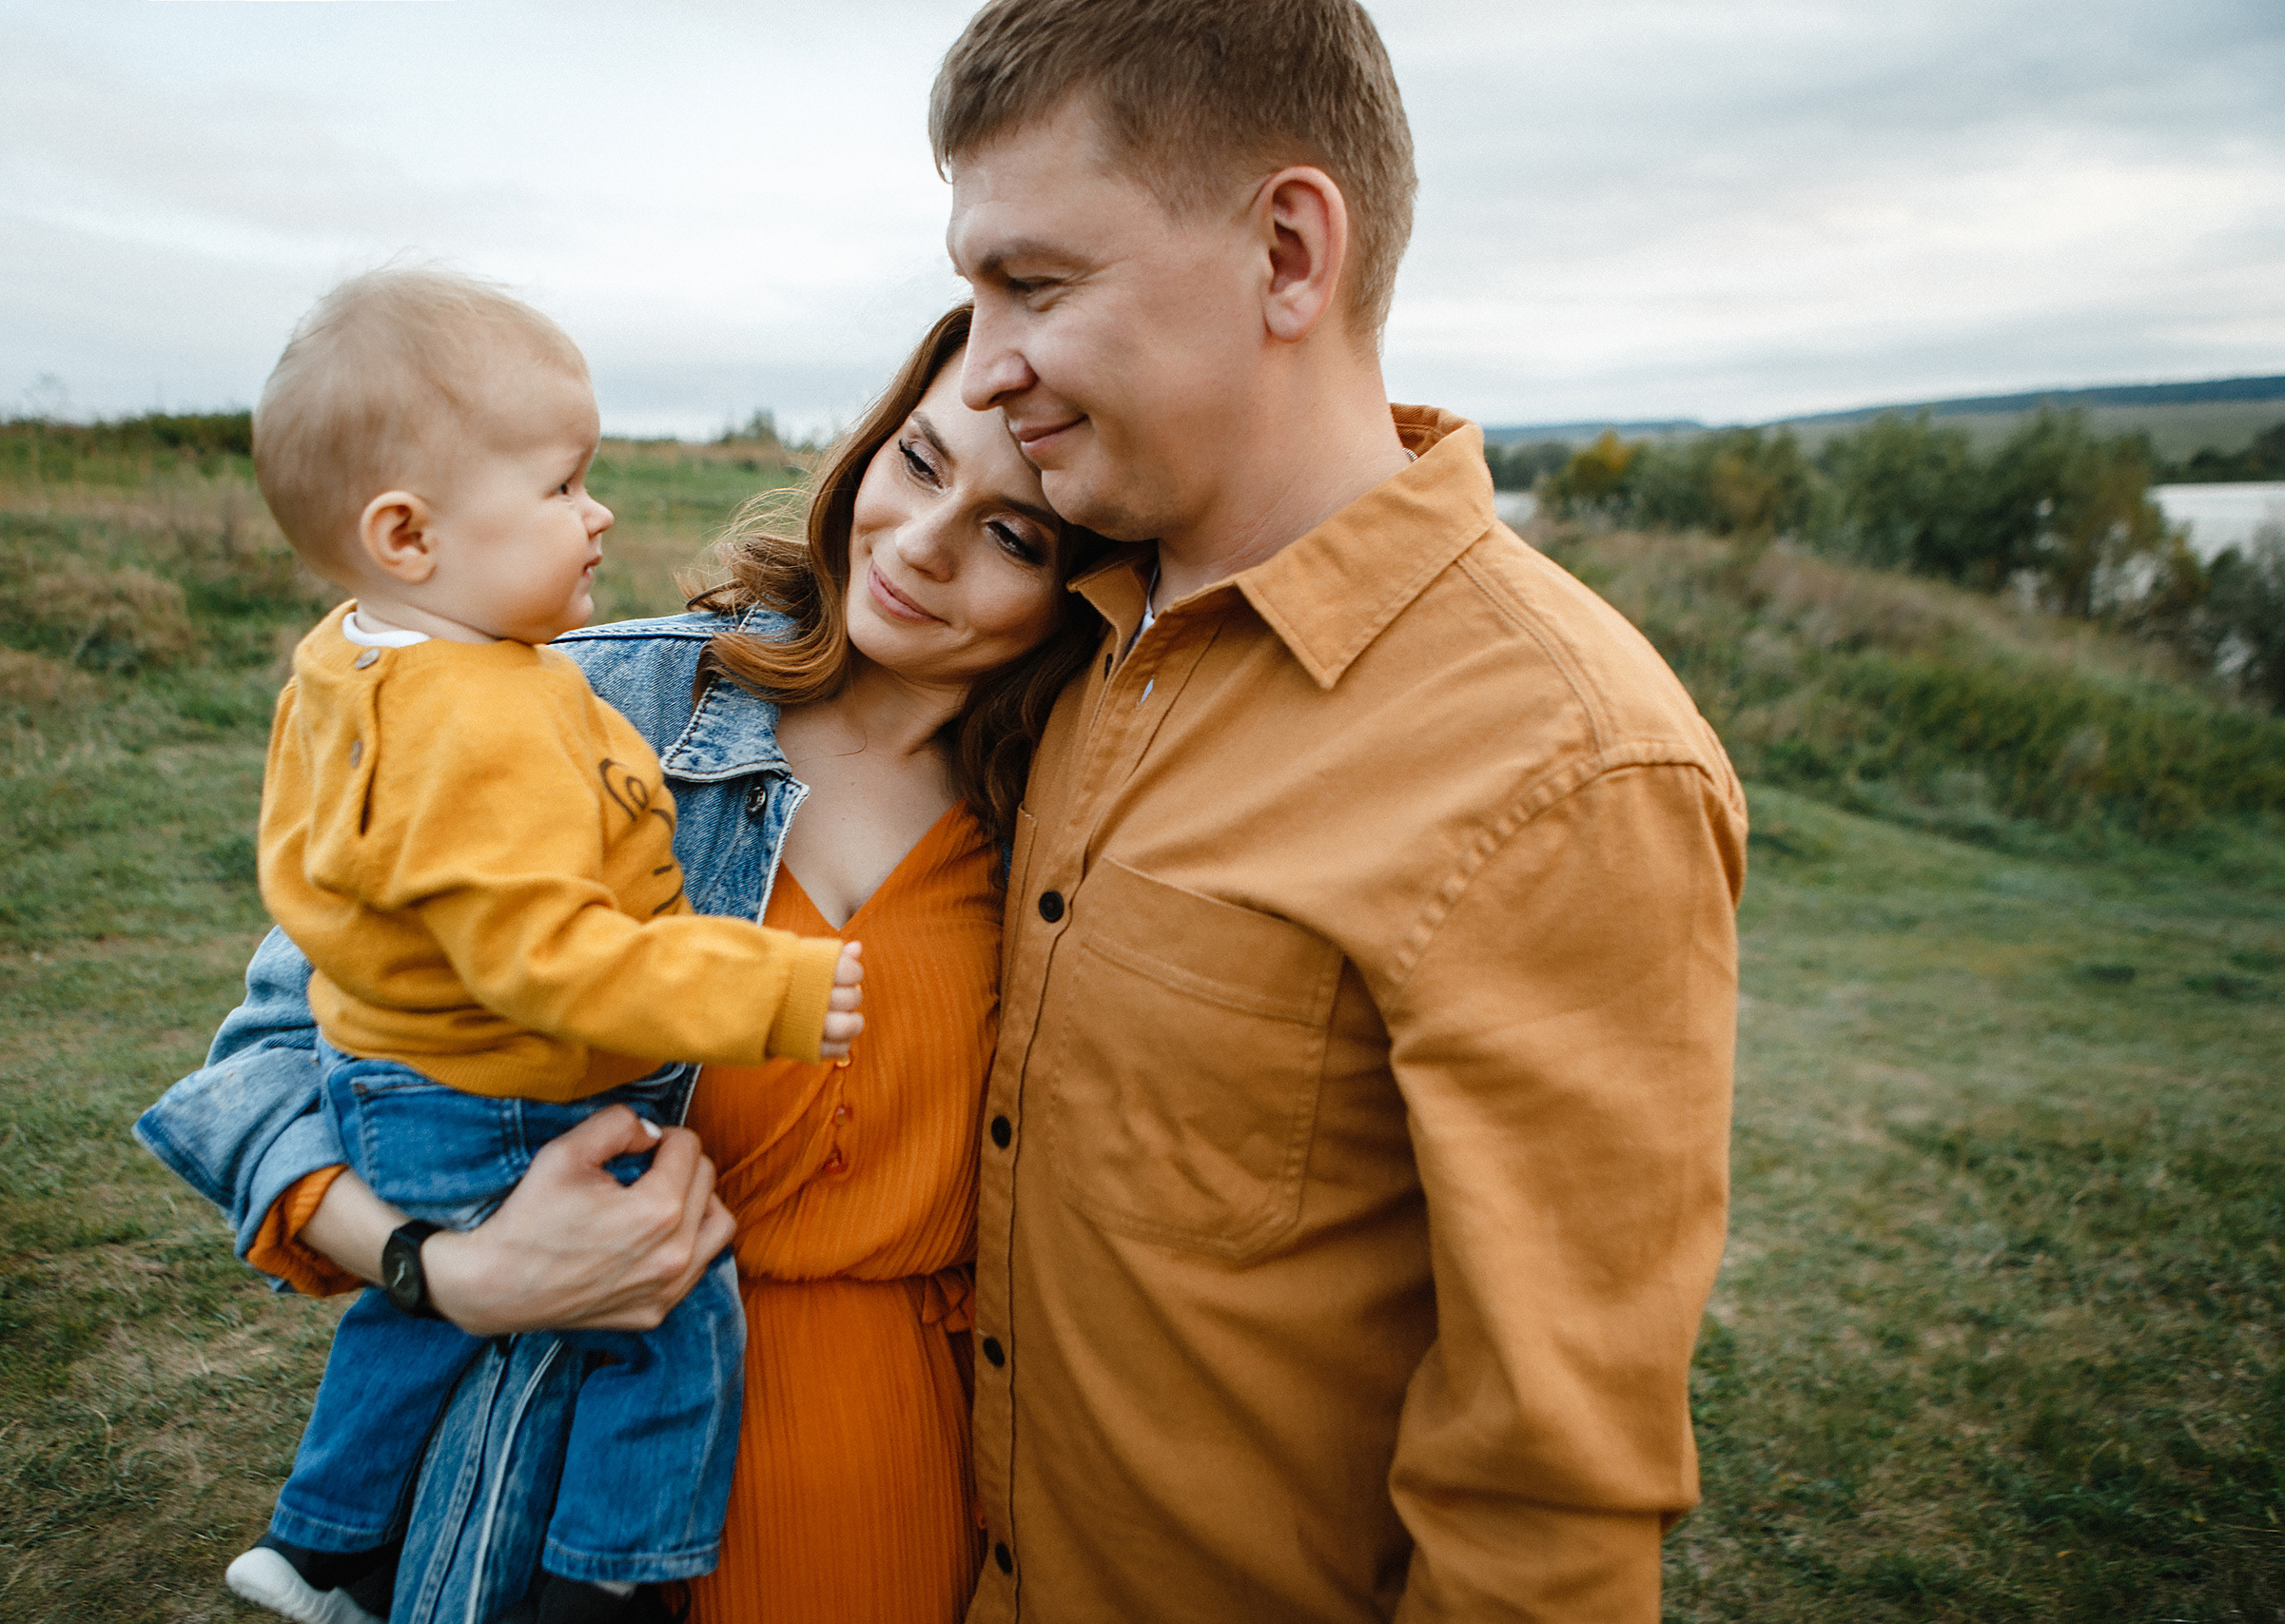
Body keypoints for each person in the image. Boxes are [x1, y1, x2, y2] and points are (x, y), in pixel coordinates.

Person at [929, 2, 1748, 1619]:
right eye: (972, 293)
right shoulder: (1070, 637)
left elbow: (1546, 1515)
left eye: (1035, 285)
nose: (980, 367)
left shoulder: (1566, 763)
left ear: (1291, 253)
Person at [135, 302, 1108, 1624]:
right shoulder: (578, 700)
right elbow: (260, 1071)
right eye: (921, 464)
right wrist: (448, 1271)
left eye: (1013, 534)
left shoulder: (1068, 824)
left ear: (1079, 581)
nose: (924, 548)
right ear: (871, 447)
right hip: (547, 1464)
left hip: (925, 1485)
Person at [222, 267, 867, 1624]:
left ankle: (322, 1536)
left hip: (396, 1082)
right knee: (670, 1307)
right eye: (565, 484)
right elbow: (548, 957)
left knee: (416, 1311)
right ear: (408, 533)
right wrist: (776, 985)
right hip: (502, 1086)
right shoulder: (491, 716)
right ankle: (612, 1581)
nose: (601, 512)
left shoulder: (356, 662)